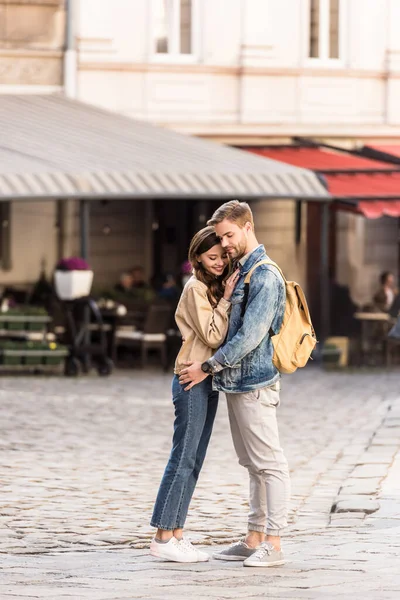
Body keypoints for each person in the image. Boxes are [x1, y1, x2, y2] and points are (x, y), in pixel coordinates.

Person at [179, 200, 290, 568]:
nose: (224, 244)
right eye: (221, 237)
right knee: (252, 464)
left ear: (247, 227)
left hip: (255, 383)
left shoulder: (264, 275)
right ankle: (253, 537)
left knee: (269, 463)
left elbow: (249, 337)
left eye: (229, 235)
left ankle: (272, 543)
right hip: (238, 385)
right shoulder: (243, 271)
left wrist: (207, 367)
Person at [150, 226, 240, 564]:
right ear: (198, 257)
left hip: (207, 377)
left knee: (195, 459)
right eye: (212, 257)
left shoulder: (211, 286)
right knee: (183, 456)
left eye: (222, 257)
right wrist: (229, 299)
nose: (218, 263)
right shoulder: (195, 288)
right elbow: (215, 335)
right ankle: (162, 535)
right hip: (191, 378)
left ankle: (176, 533)